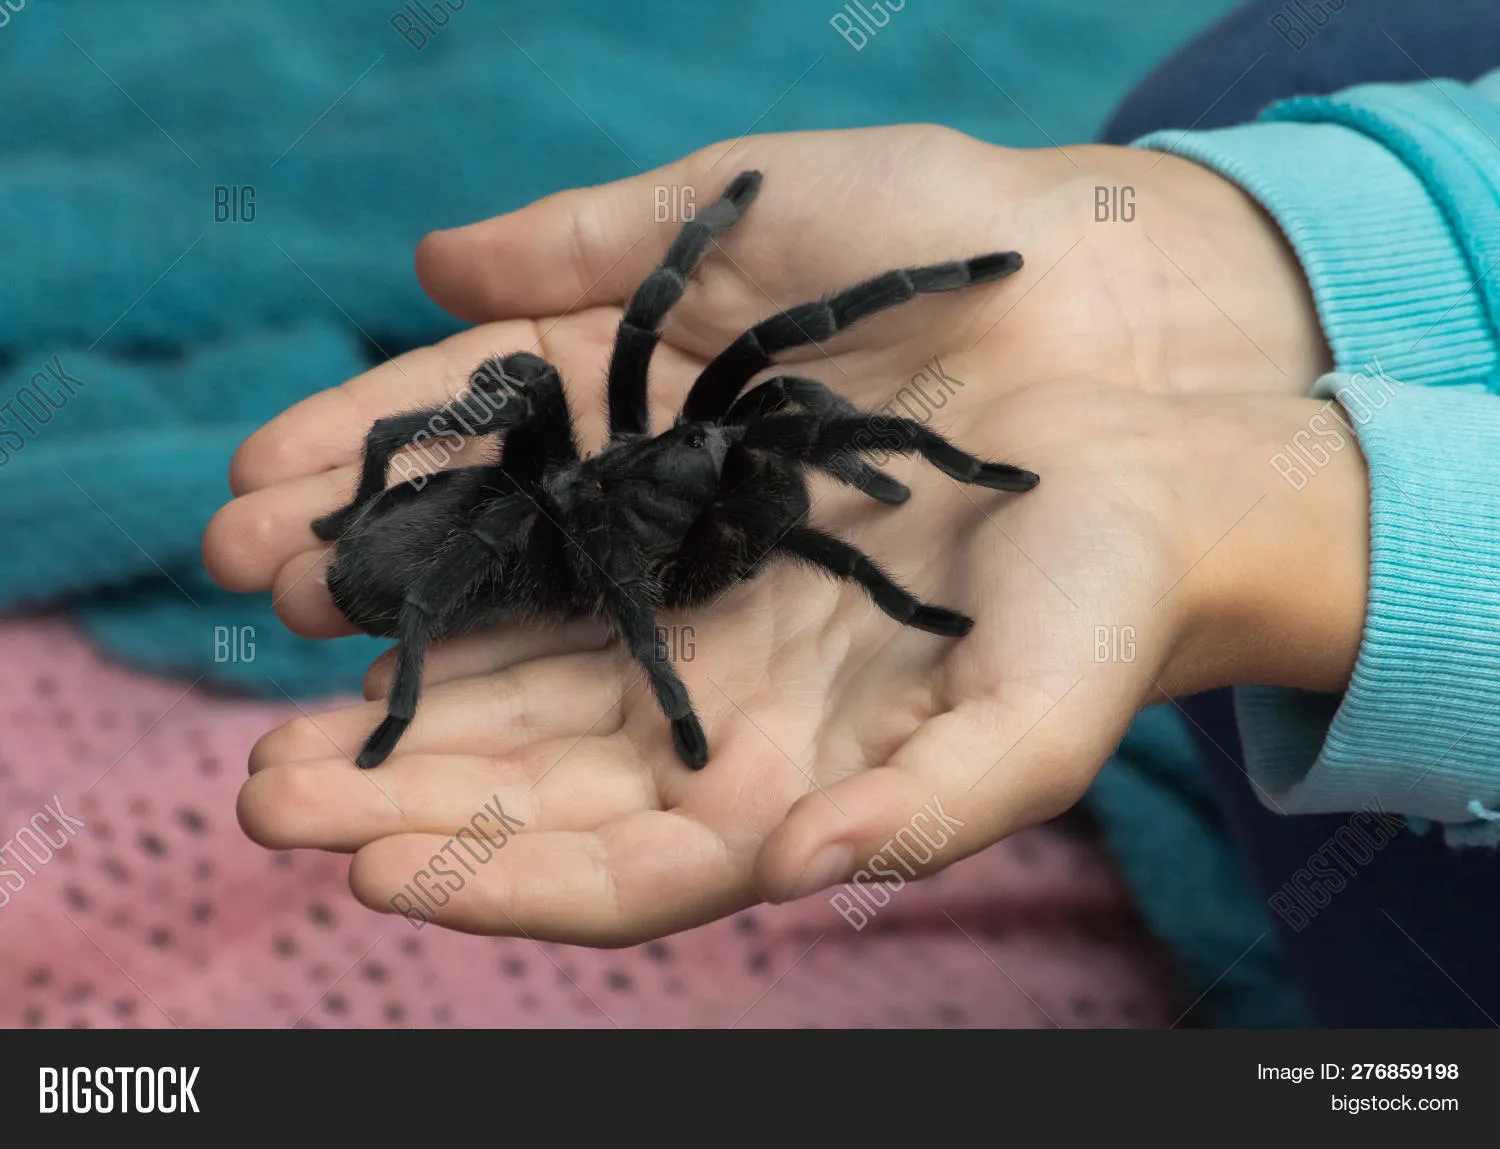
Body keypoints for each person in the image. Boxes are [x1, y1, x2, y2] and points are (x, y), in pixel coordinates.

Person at [204, 13, 1500, 1023]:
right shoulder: (631, 501)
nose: (732, 441)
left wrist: (1326, 541)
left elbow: (783, 410)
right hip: (508, 537)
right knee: (1230, 84)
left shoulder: (724, 481)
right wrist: (1174, 262)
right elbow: (652, 338)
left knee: (763, 369)